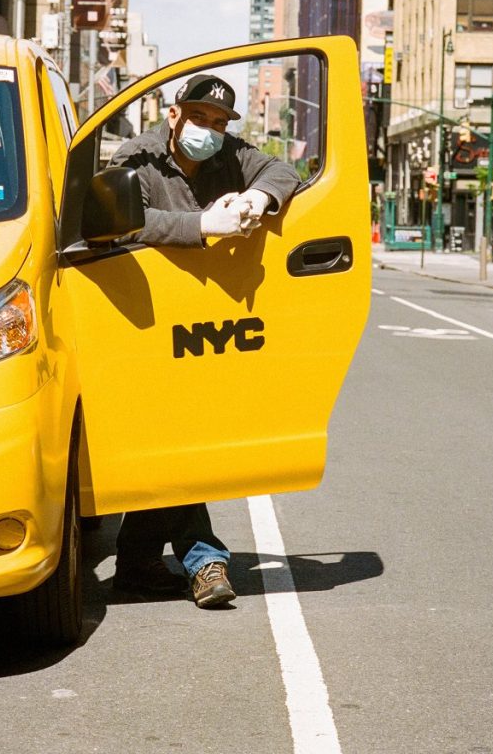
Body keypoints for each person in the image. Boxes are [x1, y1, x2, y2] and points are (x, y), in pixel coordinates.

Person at [109, 72, 300, 607]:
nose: (210, 131)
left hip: (211, 322)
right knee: (178, 437)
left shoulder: (231, 154)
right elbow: (120, 221)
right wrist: (200, 225)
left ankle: (140, 560)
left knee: (180, 437)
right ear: (174, 115)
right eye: (199, 118)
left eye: (219, 123)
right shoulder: (136, 159)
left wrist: (261, 198)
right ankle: (203, 560)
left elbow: (283, 170)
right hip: (145, 318)